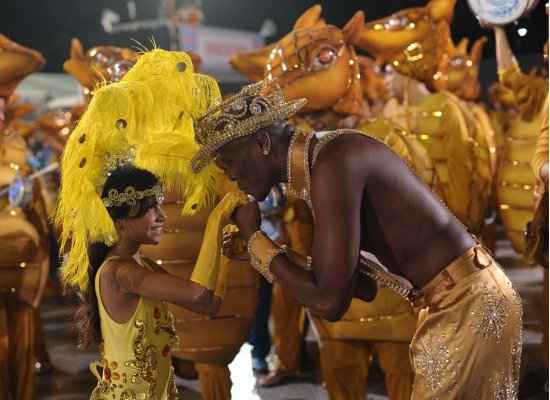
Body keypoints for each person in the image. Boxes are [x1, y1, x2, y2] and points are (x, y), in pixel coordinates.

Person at [193, 81, 523, 399]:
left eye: (229, 162)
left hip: (467, 305)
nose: (230, 176)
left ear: (262, 144)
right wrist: (259, 252)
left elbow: (329, 302)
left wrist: (255, 240)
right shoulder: (321, 163)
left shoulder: (334, 162)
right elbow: (355, 286)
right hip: (452, 302)